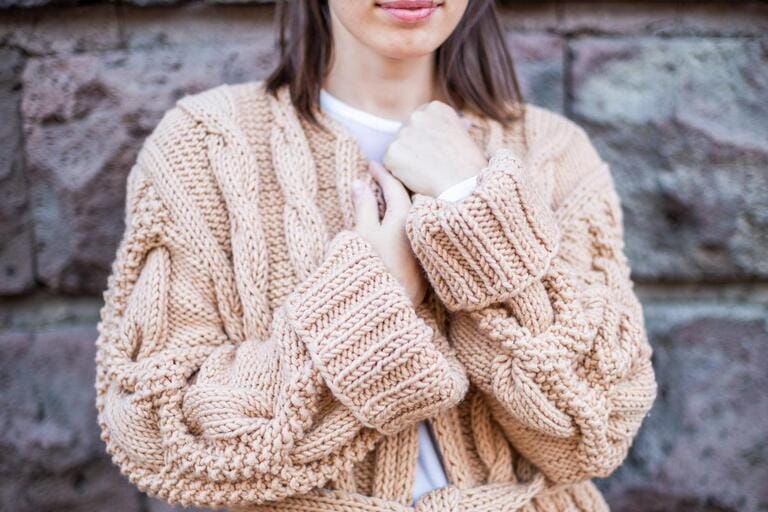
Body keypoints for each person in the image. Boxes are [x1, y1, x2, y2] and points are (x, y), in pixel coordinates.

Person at [94, 1, 658, 511]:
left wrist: (472, 201)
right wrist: (373, 301)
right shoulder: (205, 145)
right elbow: (156, 430)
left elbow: (598, 428)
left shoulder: (554, 152)